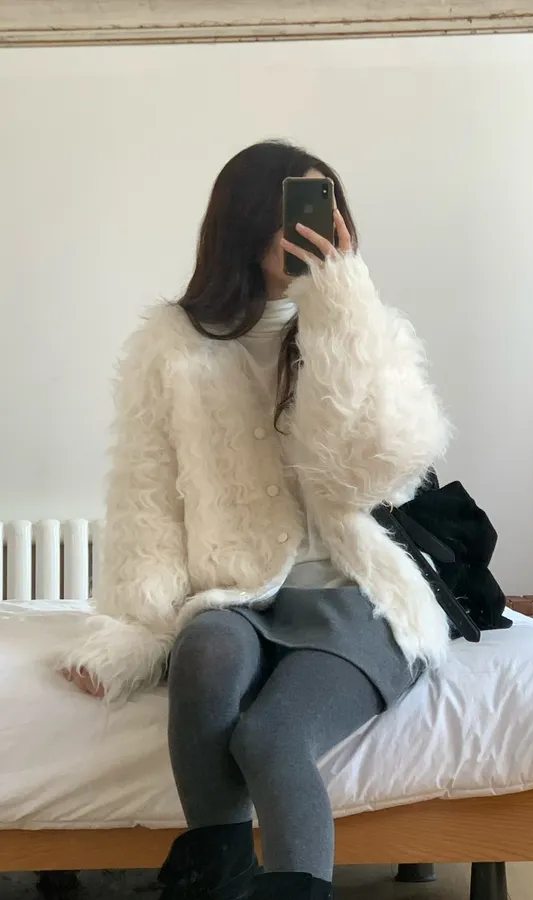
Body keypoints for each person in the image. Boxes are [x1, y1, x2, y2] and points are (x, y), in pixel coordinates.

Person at [56, 140, 450, 900]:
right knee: (204, 656)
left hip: (351, 594)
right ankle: (219, 878)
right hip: (237, 593)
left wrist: (342, 306)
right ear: (242, 221)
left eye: (323, 208)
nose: (308, 228)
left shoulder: (359, 327)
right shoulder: (171, 346)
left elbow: (380, 471)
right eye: (289, 210)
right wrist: (135, 629)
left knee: (270, 736)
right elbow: (148, 498)